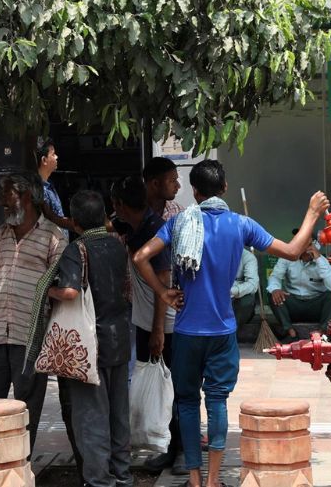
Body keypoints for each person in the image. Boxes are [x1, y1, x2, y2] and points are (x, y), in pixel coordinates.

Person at [133, 160, 329, 487]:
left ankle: (194, 481)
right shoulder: (241, 225)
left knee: (187, 403)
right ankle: (212, 482)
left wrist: (164, 293)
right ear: (224, 188)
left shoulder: (180, 223)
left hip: (185, 332)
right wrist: (312, 212)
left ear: (195, 192)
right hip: (222, 330)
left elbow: (140, 257)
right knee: (217, 401)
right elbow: (294, 251)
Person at [0, 172, 68, 453]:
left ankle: (19, 463)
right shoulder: (1, 234)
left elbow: (61, 288)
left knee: (27, 405)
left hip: (31, 334)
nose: (3, 203)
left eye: (8, 197)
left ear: (27, 197)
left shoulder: (52, 237)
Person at [47, 191, 133, 487]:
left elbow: (70, 292)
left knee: (92, 417)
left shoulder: (76, 249)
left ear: (74, 221)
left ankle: (99, 480)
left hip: (89, 345)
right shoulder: (118, 245)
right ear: (104, 216)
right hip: (120, 339)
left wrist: (47, 290)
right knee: (118, 414)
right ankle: (122, 475)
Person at [110, 175, 183, 474]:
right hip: (145, 321)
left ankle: (180, 451)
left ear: (122, 205)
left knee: (174, 387)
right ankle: (167, 448)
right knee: (157, 383)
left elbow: (163, 284)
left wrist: (156, 332)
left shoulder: (154, 231)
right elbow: (96, 225)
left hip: (165, 324)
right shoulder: (133, 225)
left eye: (116, 204)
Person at [267, 234, 331, 341]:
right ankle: (290, 332)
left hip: (316, 306)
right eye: (300, 243)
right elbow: (275, 276)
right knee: (272, 293)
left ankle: (323, 332)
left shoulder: (323, 261)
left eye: (307, 244)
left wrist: (318, 258)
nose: (303, 247)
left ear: (315, 246)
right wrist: (275, 289)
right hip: (294, 304)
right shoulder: (287, 258)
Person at [37, 137, 75, 233]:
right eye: (53, 154)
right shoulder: (40, 191)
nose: (56, 157)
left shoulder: (50, 184)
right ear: (44, 160)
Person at [230, 249, 260, 327]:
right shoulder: (212, 253)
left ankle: (232, 332)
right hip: (215, 295)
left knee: (247, 299)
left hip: (236, 295)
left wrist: (233, 291)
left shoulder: (247, 256)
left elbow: (252, 284)